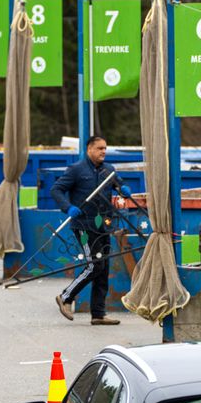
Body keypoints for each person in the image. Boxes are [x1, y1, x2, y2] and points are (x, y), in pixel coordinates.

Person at [51, 136, 130, 326]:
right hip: (84, 226)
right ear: (89, 150)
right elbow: (56, 190)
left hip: (103, 226)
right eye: (99, 148)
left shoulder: (108, 171)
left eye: (105, 148)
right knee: (95, 265)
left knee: (103, 269)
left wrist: (123, 189)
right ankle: (66, 297)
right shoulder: (76, 170)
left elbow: (119, 185)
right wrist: (67, 207)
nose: (103, 151)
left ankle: (98, 314)